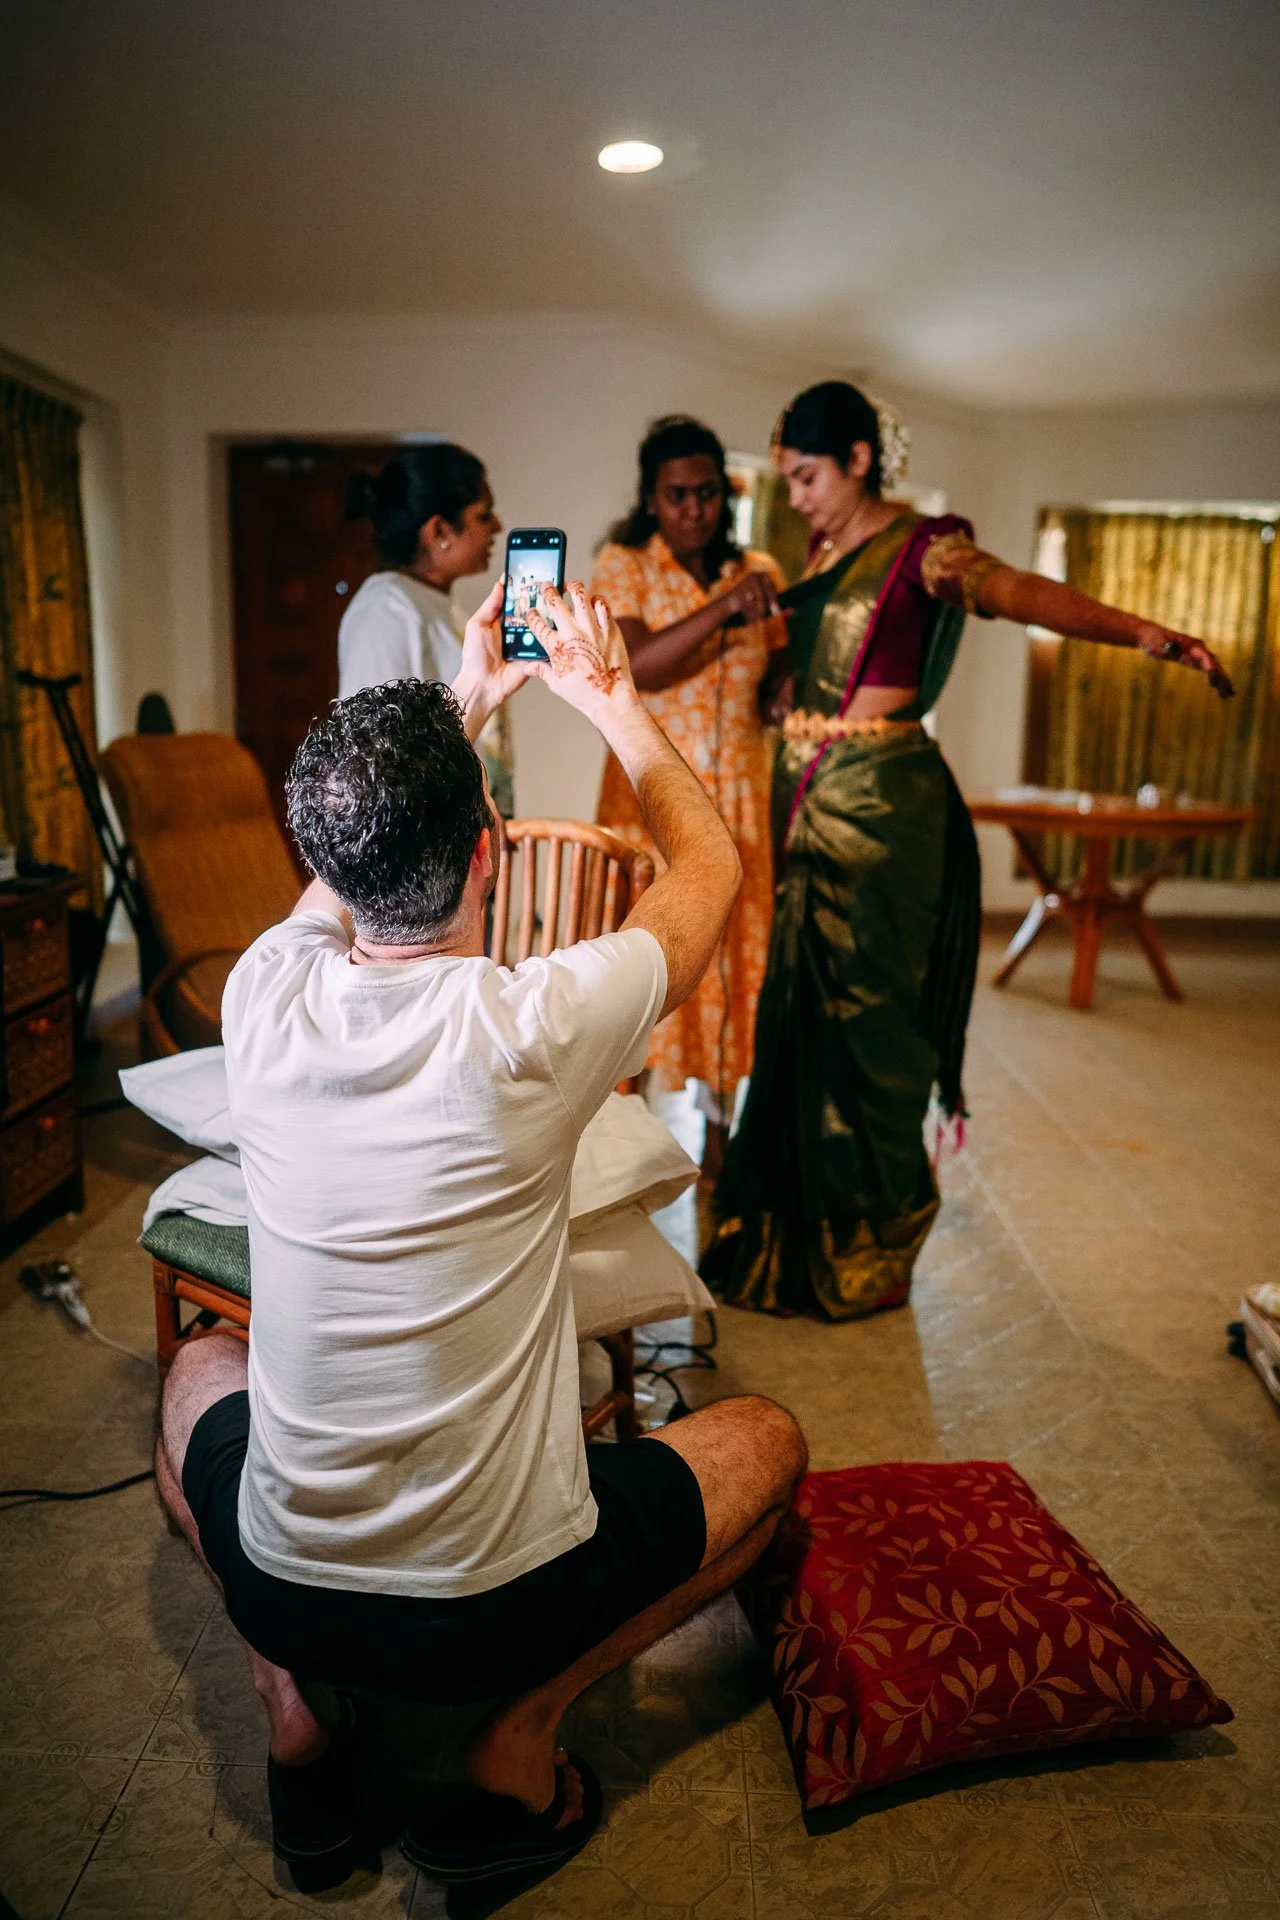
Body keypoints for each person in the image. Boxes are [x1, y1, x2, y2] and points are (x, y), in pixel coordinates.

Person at [153, 574, 807, 1889]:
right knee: (769, 1441)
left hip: (291, 1587)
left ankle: (296, 1708)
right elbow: (713, 866)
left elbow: (336, 896)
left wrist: (465, 699)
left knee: (191, 1375)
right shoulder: (537, 1027)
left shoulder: (261, 997)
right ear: (491, 855)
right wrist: (613, 702)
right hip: (506, 1606)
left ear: (328, 865)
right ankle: (521, 1735)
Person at [700, 379, 1234, 1323]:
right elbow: (816, 657)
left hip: (880, 811)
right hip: (807, 798)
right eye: (787, 480)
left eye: (810, 475)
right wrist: (789, 686)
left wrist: (1139, 632)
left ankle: (871, 1237)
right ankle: (795, 1228)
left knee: (871, 1022)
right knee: (802, 1015)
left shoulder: (925, 550)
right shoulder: (822, 551)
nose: (798, 498)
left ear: (861, 460)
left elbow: (1017, 592)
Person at [592, 416, 786, 1168]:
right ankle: (619, 1152)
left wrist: (784, 684)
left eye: (708, 492)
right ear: (652, 497)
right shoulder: (626, 564)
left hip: (741, 807)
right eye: (677, 494)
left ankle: (723, 1152)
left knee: (736, 966)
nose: (695, 508)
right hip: (651, 813)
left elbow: (780, 660)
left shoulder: (760, 566)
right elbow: (639, 663)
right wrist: (725, 607)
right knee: (645, 969)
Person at [340, 442, 515, 813]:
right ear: (439, 530)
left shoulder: (440, 604)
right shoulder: (385, 611)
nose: (498, 527)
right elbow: (379, 757)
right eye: (484, 516)